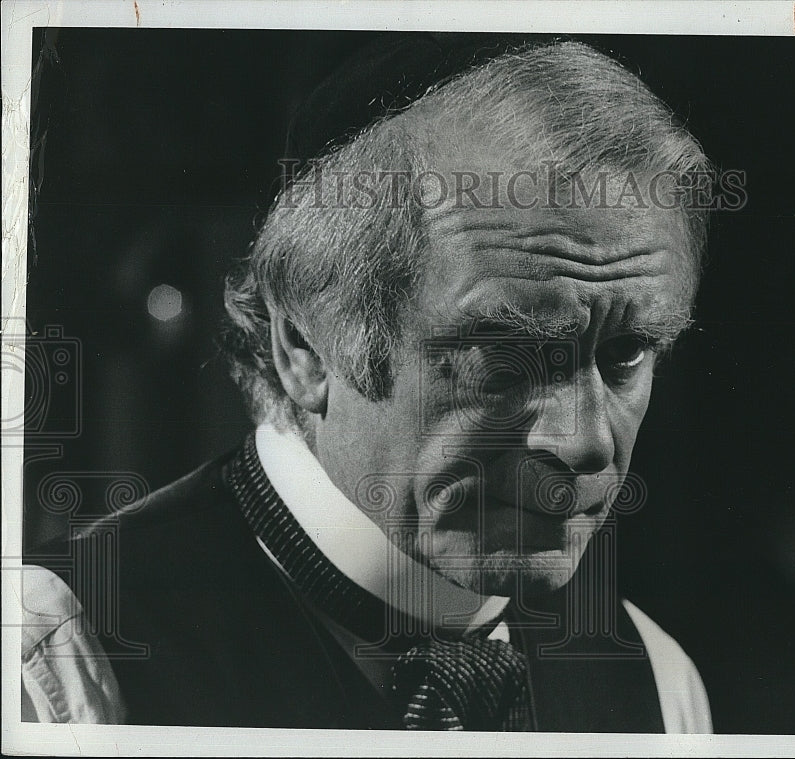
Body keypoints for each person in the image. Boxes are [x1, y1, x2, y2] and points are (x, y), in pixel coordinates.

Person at [21, 36, 714, 732]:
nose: (586, 441)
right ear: (305, 350)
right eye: (507, 357)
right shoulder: (56, 658)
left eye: (626, 352)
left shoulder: (655, 682)